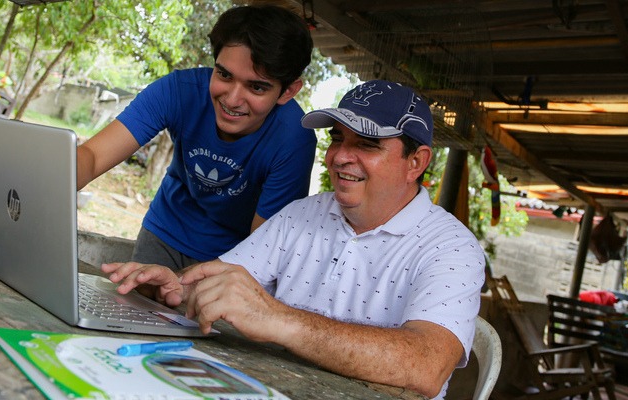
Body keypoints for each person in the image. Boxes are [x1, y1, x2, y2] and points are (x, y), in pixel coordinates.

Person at [103, 80, 486, 399]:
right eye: (338, 139)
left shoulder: (451, 248)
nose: (339, 157)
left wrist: (279, 320)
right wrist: (175, 287)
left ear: (416, 162)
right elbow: (220, 283)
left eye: (367, 144)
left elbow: (426, 365)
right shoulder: (302, 214)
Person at [76, 5, 316, 270]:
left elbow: (262, 248)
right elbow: (94, 156)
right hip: (165, 233)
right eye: (224, 75)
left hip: (232, 258)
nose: (232, 100)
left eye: (257, 87)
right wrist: (44, 182)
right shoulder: (178, 91)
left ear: (288, 91)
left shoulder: (294, 140)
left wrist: (184, 283)